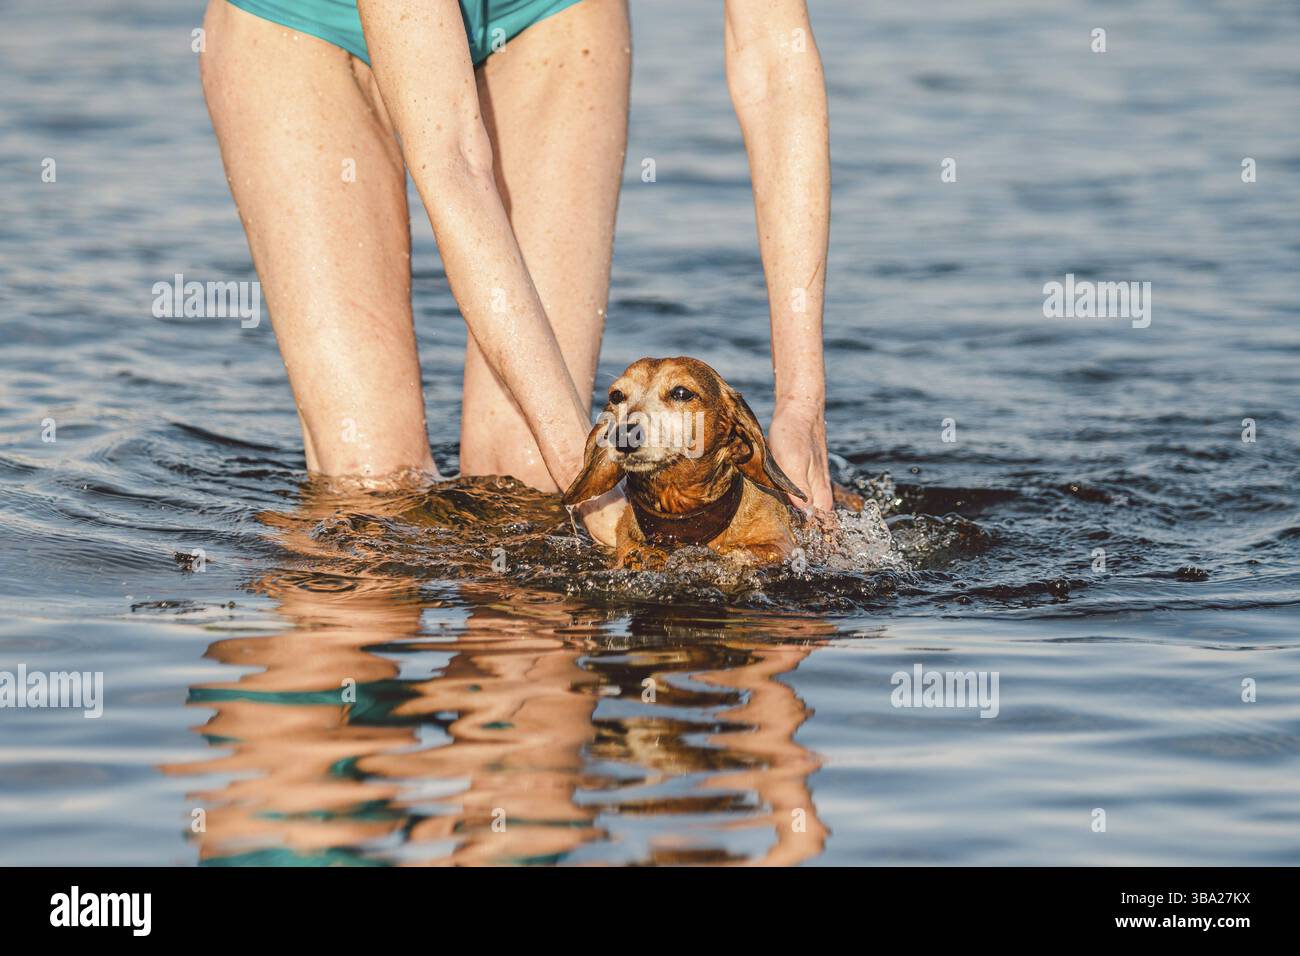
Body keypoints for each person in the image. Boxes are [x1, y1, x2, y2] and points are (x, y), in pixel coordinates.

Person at [199, 0, 832, 544]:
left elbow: (775, 63)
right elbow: (451, 156)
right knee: (369, 494)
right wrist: (590, 485)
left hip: (543, 17)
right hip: (304, 25)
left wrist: (802, 407)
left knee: (522, 487)